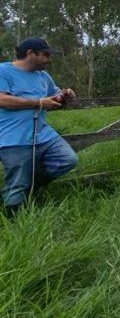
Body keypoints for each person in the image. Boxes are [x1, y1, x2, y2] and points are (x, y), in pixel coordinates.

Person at [0, 37, 78, 215]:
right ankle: (14, 218)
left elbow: (54, 94)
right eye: (45, 55)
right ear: (30, 54)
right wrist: (38, 103)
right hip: (13, 136)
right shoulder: (3, 71)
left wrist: (64, 94)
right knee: (18, 181)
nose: (48, 59)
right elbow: (1, 99)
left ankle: (23, 188)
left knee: (67, 159)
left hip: (42, 133)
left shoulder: (43, 76)